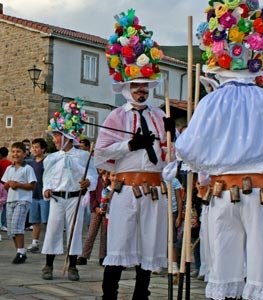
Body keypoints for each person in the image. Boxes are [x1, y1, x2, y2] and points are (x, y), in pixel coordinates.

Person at [174, 2, 263, 299]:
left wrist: (203, 175)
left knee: (225, 272)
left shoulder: (211, 102)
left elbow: (186, 152)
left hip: (223, 195)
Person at [94, 10, 173, 299]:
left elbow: (171, 156)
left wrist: (171, 144)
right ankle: (109, 295)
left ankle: (142, 294)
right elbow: (100, 154)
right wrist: (128, 146)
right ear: (127, 88)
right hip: (126, 188)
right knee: (120, 242)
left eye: (145, 86)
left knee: (150, 244)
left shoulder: (160, 116)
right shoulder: (116, 117)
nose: (141, 90)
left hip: (154, 190)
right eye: (136, 86)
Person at [41, 100, 97, 281]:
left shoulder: (82, 156)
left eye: (56, 136)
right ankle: (48, 264)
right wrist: (47, 190)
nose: (54, 140)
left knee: (75, 230)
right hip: (57, 199)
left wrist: (88, 182)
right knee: (53, 229)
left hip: (76, 198)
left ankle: (72, 265)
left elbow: (93, 175)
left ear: (66, 136)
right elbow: (46, 178)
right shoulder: (51, 158)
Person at [1, 142, 36, 264]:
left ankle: (21, 251)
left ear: (24, 154)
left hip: (23, 199)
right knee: (11, 229)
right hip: (11, 200)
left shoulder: (27, 168)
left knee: (17, 225)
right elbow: (5, 185)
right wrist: (9, 184)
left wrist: (19, 185)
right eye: (14, 151)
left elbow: (32, 185)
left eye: (18, 152)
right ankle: (20, 251)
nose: (16, 154)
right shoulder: (9, 169)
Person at [78, 170, 111, 266]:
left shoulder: (111, 177)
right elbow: (92, 193)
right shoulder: (96, 178)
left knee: (105, 234)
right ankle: (84, 255)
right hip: (96, 208)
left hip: (107, 209)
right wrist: (95, 207)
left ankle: (103, 256)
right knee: (91, 232)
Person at [27, 138, 48, 253]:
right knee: (35, 221)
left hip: (45, 195)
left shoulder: (47, 162)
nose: (34, 149)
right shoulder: (31, 163)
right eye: (33, 147)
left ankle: (49, 243)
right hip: (34, 195)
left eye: (37, 147)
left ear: (43, 149)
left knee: (47, 221)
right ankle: (35, 242)